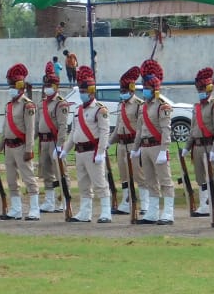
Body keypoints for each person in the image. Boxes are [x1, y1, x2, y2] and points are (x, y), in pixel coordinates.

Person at [62, 66, 112, 223]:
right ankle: (85, 213)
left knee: (99, 183)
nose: (82, 94)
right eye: (81, 91)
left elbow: (105, 132)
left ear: (91, 91)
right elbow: (73, 133)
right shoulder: (78, 110)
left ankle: (106, 212)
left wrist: (100, 152)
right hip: (79, 151)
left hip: (93, 151)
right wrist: (65, 150)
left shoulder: (99, 110)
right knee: (83, 184)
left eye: (84, 91)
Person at [131, 59, 176, 225]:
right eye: (144, 88)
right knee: (150, 181)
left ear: (155, 90)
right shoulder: (143, 106)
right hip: (145, 147)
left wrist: (165, 149)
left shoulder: (162, 107)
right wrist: (135, 149)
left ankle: (168, 213)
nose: (145, 91)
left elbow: (166, 129)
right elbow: (139, 130)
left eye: (148, 89)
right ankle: (153, 212)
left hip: (158, 147)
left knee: (165, 180)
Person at [0, 64, 39, 221]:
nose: (10, 88)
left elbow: (30, 129)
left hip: (22, 146)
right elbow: (5, 129)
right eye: (9, 85)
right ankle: (16, 209)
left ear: (20, 86)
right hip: (9, 147)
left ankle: (34, 209)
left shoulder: (27, 105)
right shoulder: (9, 105)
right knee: (11, 179)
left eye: (12, 85)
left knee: (29, 178)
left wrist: (29, 148)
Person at [184, 67, 214, 220]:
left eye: (202, 89)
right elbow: (193, 129)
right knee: (200, 177)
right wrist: (187, 148)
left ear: (208, 89)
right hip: (198, 146)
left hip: (210, 145)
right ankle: (204, 205)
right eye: (198, 89)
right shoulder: (196, 107)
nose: (200, 92)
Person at [112, 67, 148, 216]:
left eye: (125, 90)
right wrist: (109, 142)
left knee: (139, 175)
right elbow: (118, 127)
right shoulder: (121, 105)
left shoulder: (139, 105)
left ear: (132, 89)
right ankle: (127, 202)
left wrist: (138, 146)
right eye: (121, 90)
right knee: (124, 175)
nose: (122, 92)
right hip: (121, 144)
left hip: (134, 143)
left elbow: (141, 128)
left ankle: (145, 204)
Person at [37, 62, 70, 214]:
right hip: (43, 141)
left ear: (56, 87)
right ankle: (49, 201)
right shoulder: (42, 103)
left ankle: (64, 199)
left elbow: (63, 126)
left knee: (60, 172)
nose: (47, 87)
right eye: (45, 85)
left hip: (55, 141)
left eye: (49, 85)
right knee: (46, 172)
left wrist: (60, 145)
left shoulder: (61, 104)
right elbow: (38, 123)